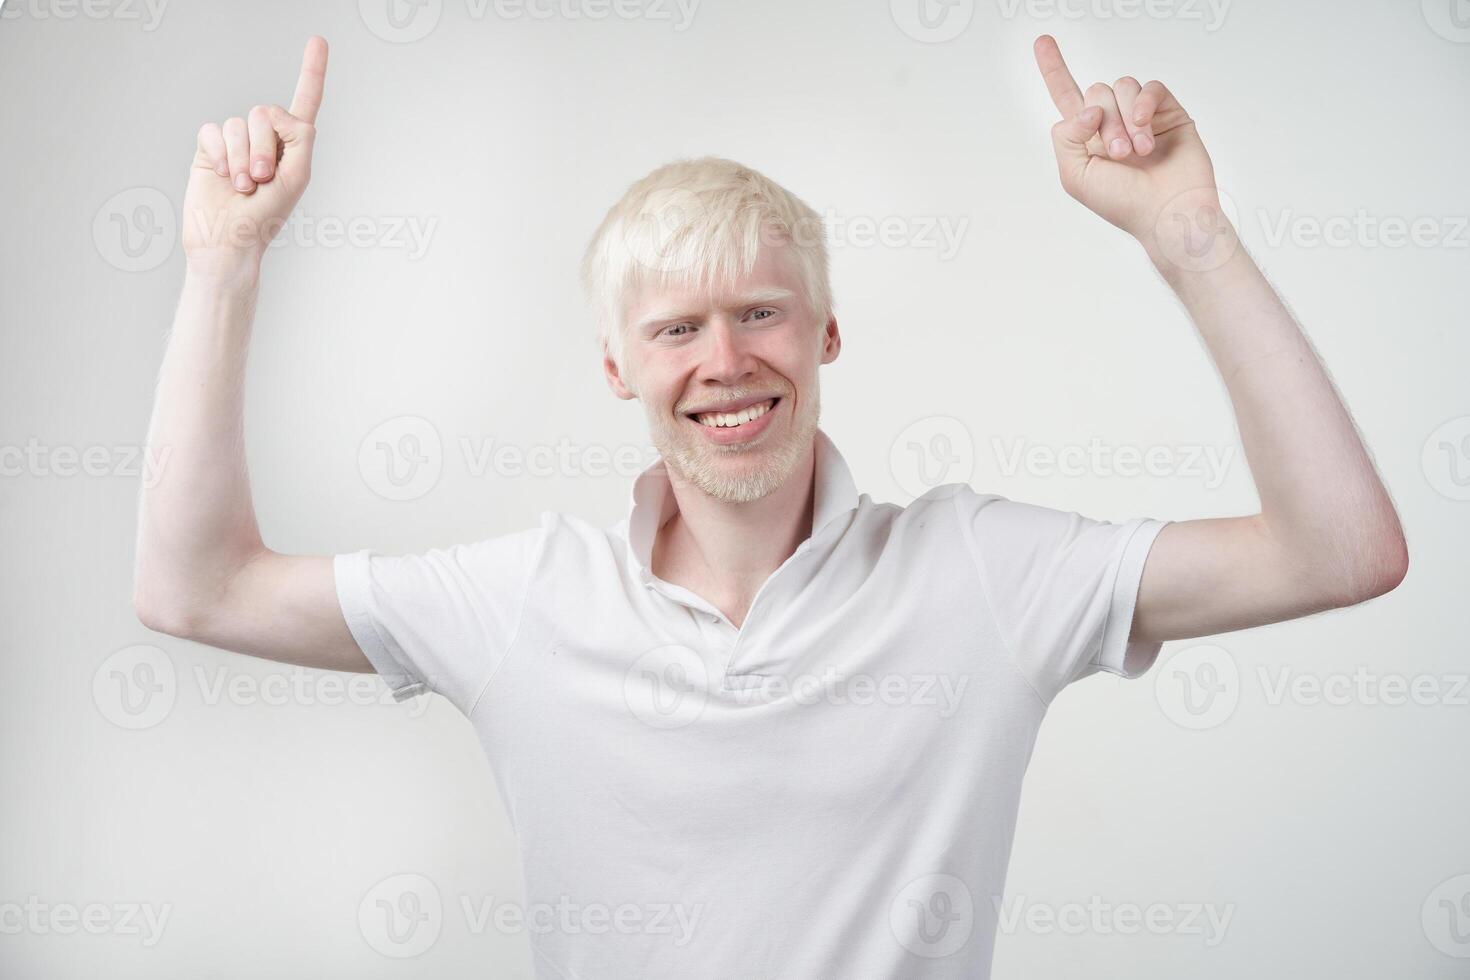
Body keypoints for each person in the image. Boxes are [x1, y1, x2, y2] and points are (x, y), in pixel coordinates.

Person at [133, 33, 1408, 979]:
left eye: (760, 313)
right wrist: (222, 267)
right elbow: (196, 588)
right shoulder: (526, 598)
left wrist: (1190, 237)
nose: (725, 359)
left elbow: (1341, 552)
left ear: (827, 333)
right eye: (676, 327)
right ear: (618, 368)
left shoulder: (979, 571)